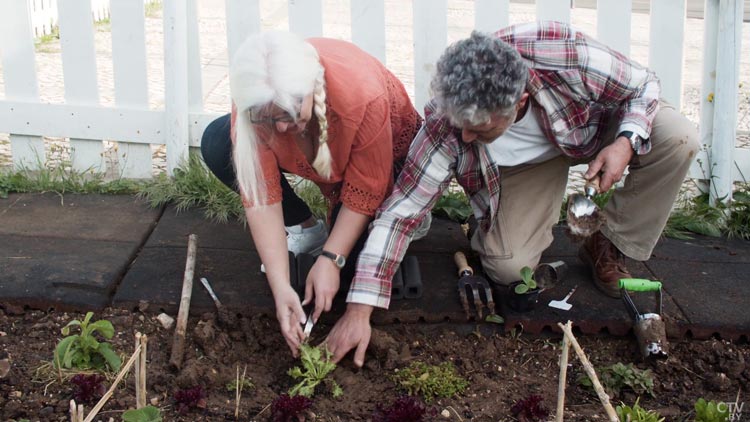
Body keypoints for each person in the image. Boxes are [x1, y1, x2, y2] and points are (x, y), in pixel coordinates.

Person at [324, 21, 699, 366]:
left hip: (592, 124)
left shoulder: (564, 54)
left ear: (518, 102)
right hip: (527, 167)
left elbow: (643, 84)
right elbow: (401, 213)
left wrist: (626, 142)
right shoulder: (448, 125)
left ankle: (610, 243)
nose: (465, 137)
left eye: (478, 128)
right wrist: (358, 311)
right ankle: (488, 225)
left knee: (678, 138)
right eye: (461, 125)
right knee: (507, 268)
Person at [200, 31, 423, 357]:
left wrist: (332, 260)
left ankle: (407, 214)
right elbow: (261, 199)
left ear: (312, 90)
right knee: (219, 142)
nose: (278, 129)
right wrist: (281, 288)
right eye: (268, 117)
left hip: (383, 158)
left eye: (290, 113)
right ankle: (306, 229)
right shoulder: (255, 96)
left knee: (347, 276)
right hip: (323, 147)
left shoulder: (362, 96)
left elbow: (366, 189)